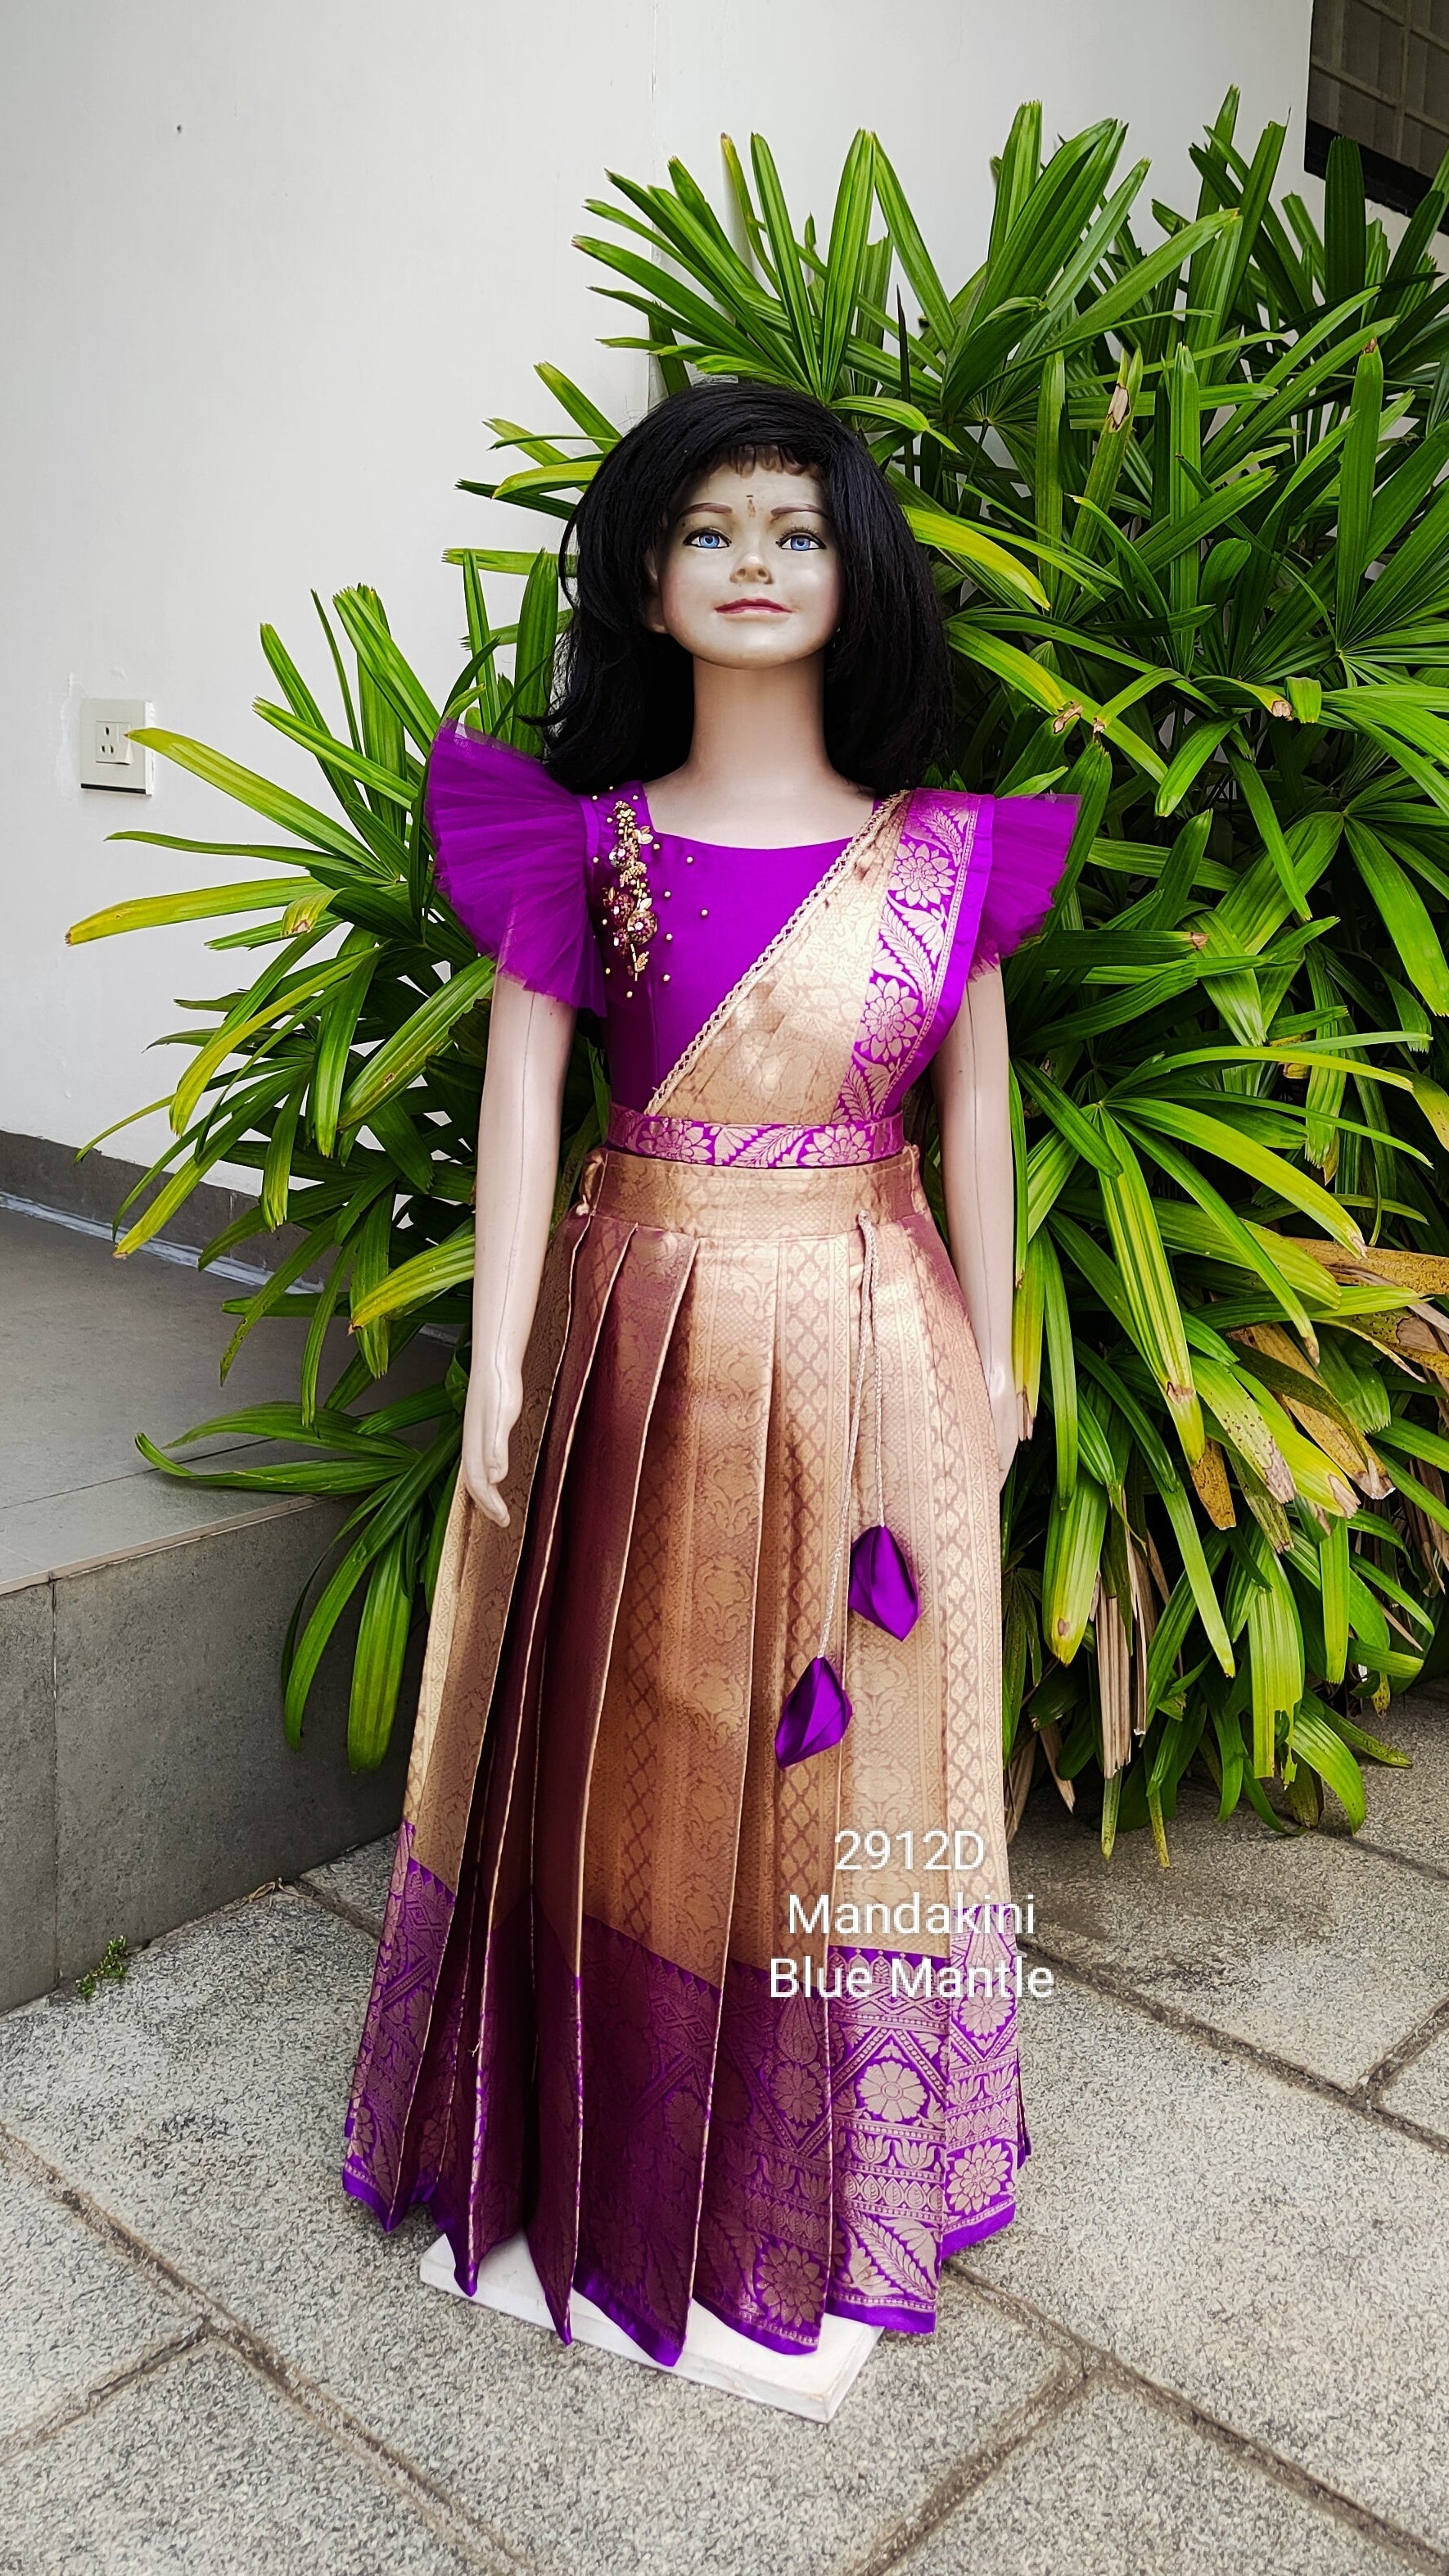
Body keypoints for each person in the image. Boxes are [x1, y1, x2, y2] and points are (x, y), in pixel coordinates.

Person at [342, 381, 1076, 2369]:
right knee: (633, 1727)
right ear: (649, 579)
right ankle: (607, 2142)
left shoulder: (945, 858)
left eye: (797, 529)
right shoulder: (584, 846)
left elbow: (981, 1112)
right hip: (639, 1329)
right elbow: (524, 1098)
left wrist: (1001, 1356)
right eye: (710, 529)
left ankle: (812, 2164)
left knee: (848, 1746)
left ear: (857, 573)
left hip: (877, 1335)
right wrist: (498, 1365)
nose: (755, 563)